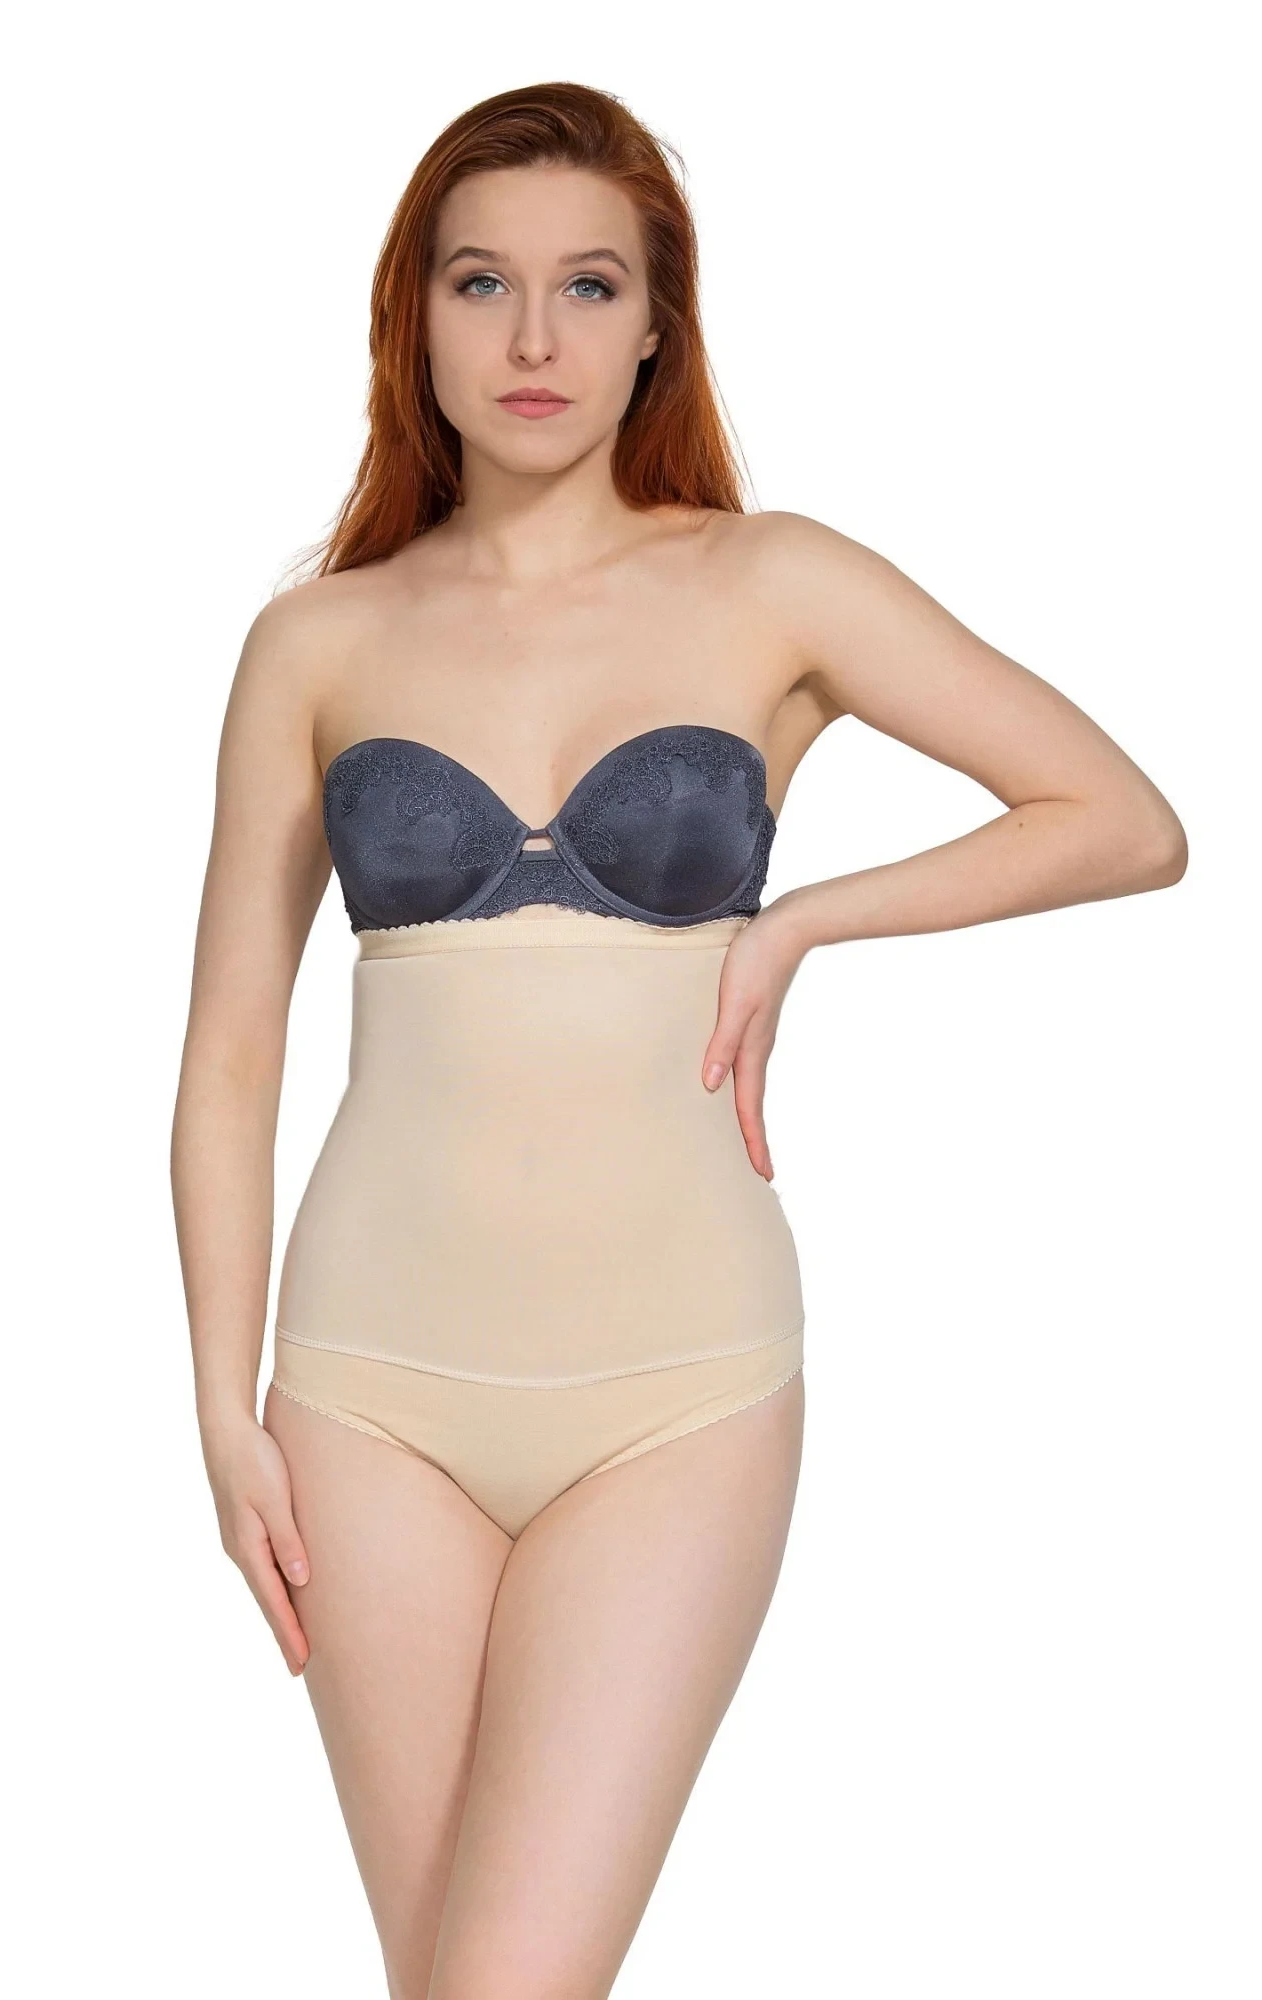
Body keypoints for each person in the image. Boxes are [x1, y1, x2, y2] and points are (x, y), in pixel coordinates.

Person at [170, 80, 1187, 2000]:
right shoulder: (316, 643)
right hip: (366, 1398)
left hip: (676, 1394)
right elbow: (229, 1057)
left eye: (589, 286)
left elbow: (1123, 820)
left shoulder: (771, 582)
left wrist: (806, 917)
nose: (534, 337)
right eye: (482, 282)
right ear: (415, 316)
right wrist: (225, 1410)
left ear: (657, 324)